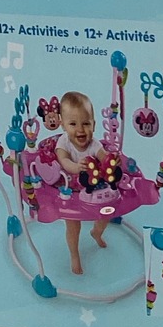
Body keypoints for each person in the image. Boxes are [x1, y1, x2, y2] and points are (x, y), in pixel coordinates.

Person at [53, 89, 108, 275]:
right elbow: (63, 161)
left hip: (92, 188)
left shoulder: (95, 144)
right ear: (63, 125)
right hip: (70, 190)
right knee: (73, 224)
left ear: (94, 124)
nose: (80, 129)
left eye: (86, 123)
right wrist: (76, 167)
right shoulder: (63, 143)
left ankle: (96, 232)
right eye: (73, 124)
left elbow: (104, 157)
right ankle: (74, 254)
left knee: (106, 213)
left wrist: (110, 162)